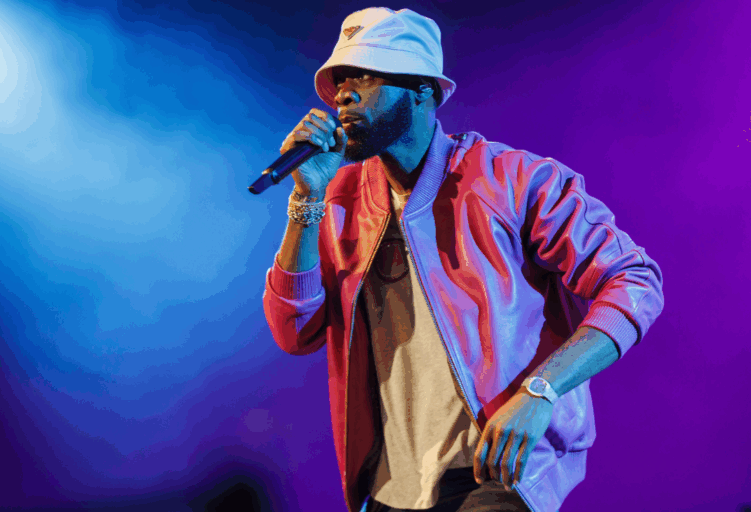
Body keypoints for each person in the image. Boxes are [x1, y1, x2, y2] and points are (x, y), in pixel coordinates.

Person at [261, 7, 664, 512]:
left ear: (423, 90)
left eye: (365, 75)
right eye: (340, 79)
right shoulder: (339, 199)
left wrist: (542, 391)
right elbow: (294, 332)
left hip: (500, 470)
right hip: (394, 486)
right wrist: (306, 199)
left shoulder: (512, 180)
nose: (343, 93)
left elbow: (635, 281)